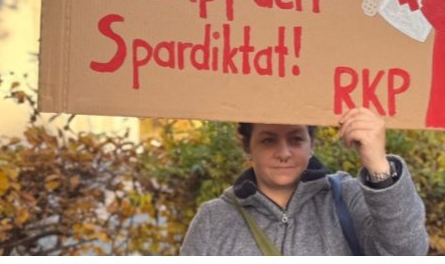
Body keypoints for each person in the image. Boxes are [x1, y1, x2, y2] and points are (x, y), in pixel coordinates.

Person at [180, 109, 428, 256]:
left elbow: (408, 251)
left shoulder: (346, 198)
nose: (284, 153)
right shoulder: (213, 219)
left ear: (312, 144)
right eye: (268, 140)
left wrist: (378, 165)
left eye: (296, 139)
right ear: (247, 146)